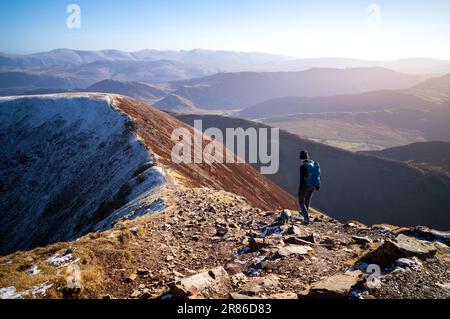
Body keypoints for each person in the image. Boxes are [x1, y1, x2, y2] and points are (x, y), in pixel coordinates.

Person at [298, 150, 321, 225]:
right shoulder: (314, 164)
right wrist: (318, 185)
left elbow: (302, 179)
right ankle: (305, 214)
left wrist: (300, 189)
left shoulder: (303, 166)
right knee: (307, 199)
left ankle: (306, 218)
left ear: (301, 158)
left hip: (305, 185)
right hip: (313, 185)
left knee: (301, 201)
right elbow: (318, 175)